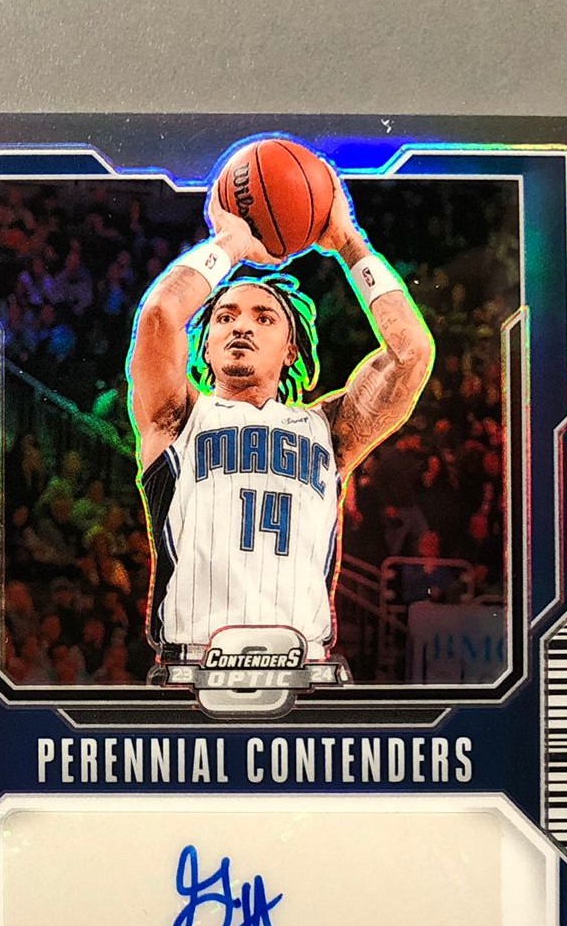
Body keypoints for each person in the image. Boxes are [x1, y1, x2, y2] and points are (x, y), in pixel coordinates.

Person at [127, 166, 434, 677]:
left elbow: (412, 352)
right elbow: (160, 314)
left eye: (263, 317)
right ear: (205, 345)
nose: (241, 325)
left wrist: (349, 243)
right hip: (194, 672)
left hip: (304, 672)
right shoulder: (177, 417)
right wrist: (231, 242)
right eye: (225, 316)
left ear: (291, 349)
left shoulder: (328, 429)